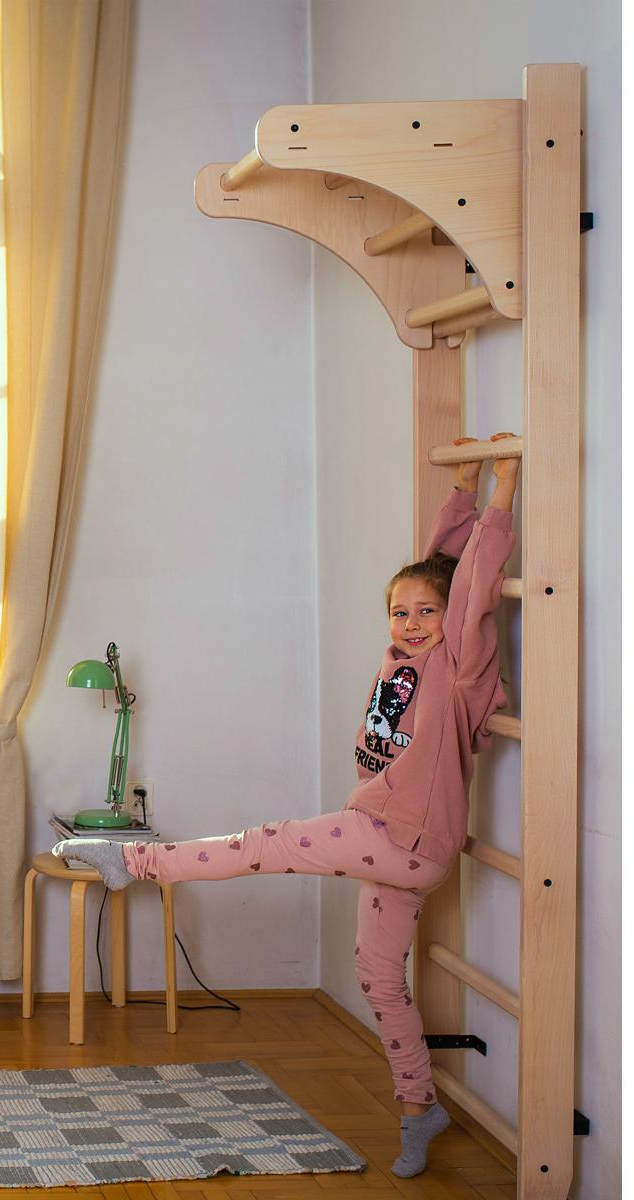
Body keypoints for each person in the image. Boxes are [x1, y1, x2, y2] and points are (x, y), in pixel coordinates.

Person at [55, 432, 520, 1179]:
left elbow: (471, 586)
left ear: (451, 621)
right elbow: (439, 569)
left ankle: (134, 861)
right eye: (398, 612)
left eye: (426, 614)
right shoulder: (403, 656)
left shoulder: (457, 665)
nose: (410, 623)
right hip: (389, 838)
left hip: (402, 838)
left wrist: (504, 489)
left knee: (264, 843)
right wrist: (460, 489)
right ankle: (418, 1106)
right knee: (378, 977)